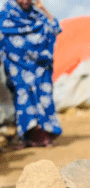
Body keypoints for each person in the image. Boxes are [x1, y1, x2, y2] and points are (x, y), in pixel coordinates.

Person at [0, 0, 62, 148]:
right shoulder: (6, 15)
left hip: (39, 66)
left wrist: (43, 8)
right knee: (23, 98)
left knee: (43, 98)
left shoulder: (38, 16)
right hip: (17, 66)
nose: (24, 1)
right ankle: (29, 137)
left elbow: (55, 27)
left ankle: (43, 135)